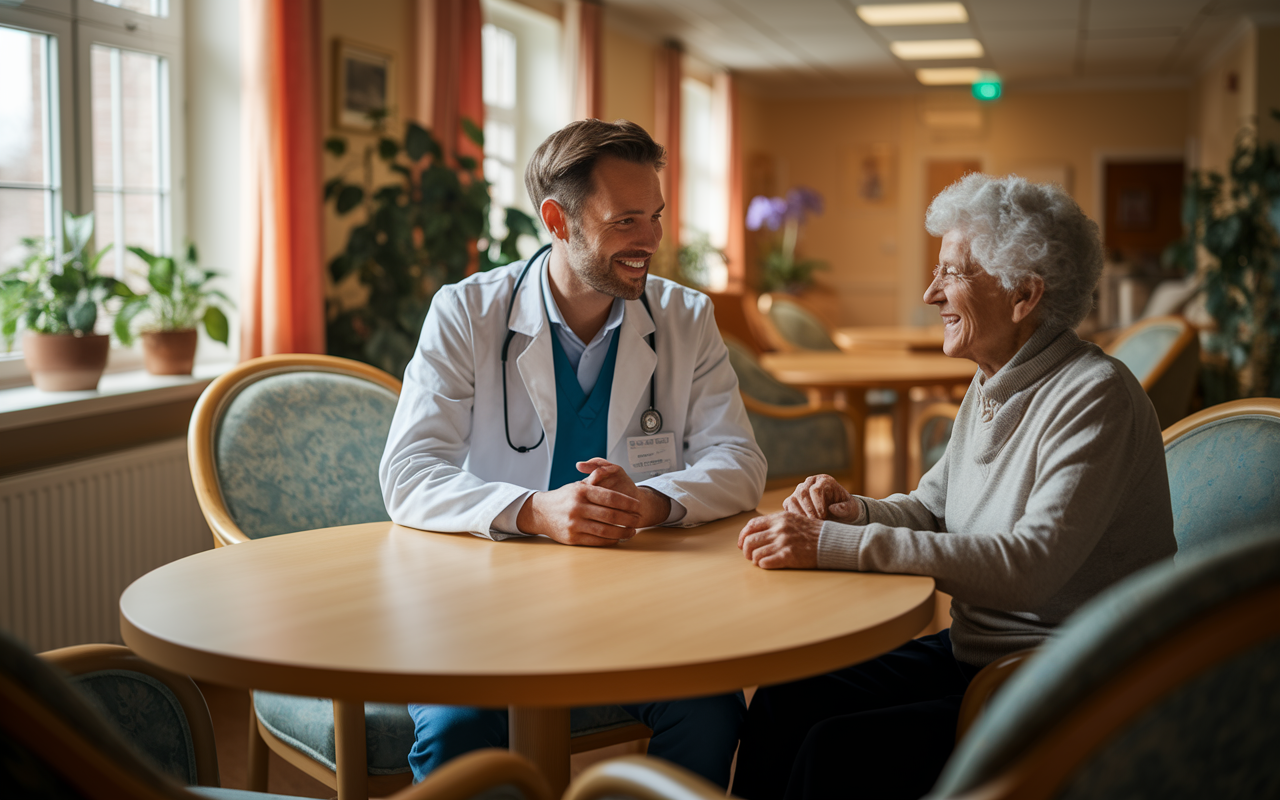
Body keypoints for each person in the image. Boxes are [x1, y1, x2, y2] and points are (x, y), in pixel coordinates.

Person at [731, 173, 1176, 800]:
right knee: (787, 698)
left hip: (1059, 680)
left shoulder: (1094, 396)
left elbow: (1031, 566)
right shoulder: (995, 380)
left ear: (1024, 294)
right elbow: (933, 508)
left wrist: (831, 545)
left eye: (953, 274)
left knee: (837, 755)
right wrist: (853, 511)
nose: (930, 291)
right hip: (978, 653)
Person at [380, 118, 767, 787]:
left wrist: (651, 501)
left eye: (656, 216)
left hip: (633, 606)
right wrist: (533, 511)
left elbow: (739, 460)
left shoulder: (685, 319)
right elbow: (409, 473)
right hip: (482, 606)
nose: (649, 239)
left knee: (710, 715)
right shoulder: (467, 314)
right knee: (457, 734)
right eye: (625, 222)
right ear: (558, 220)